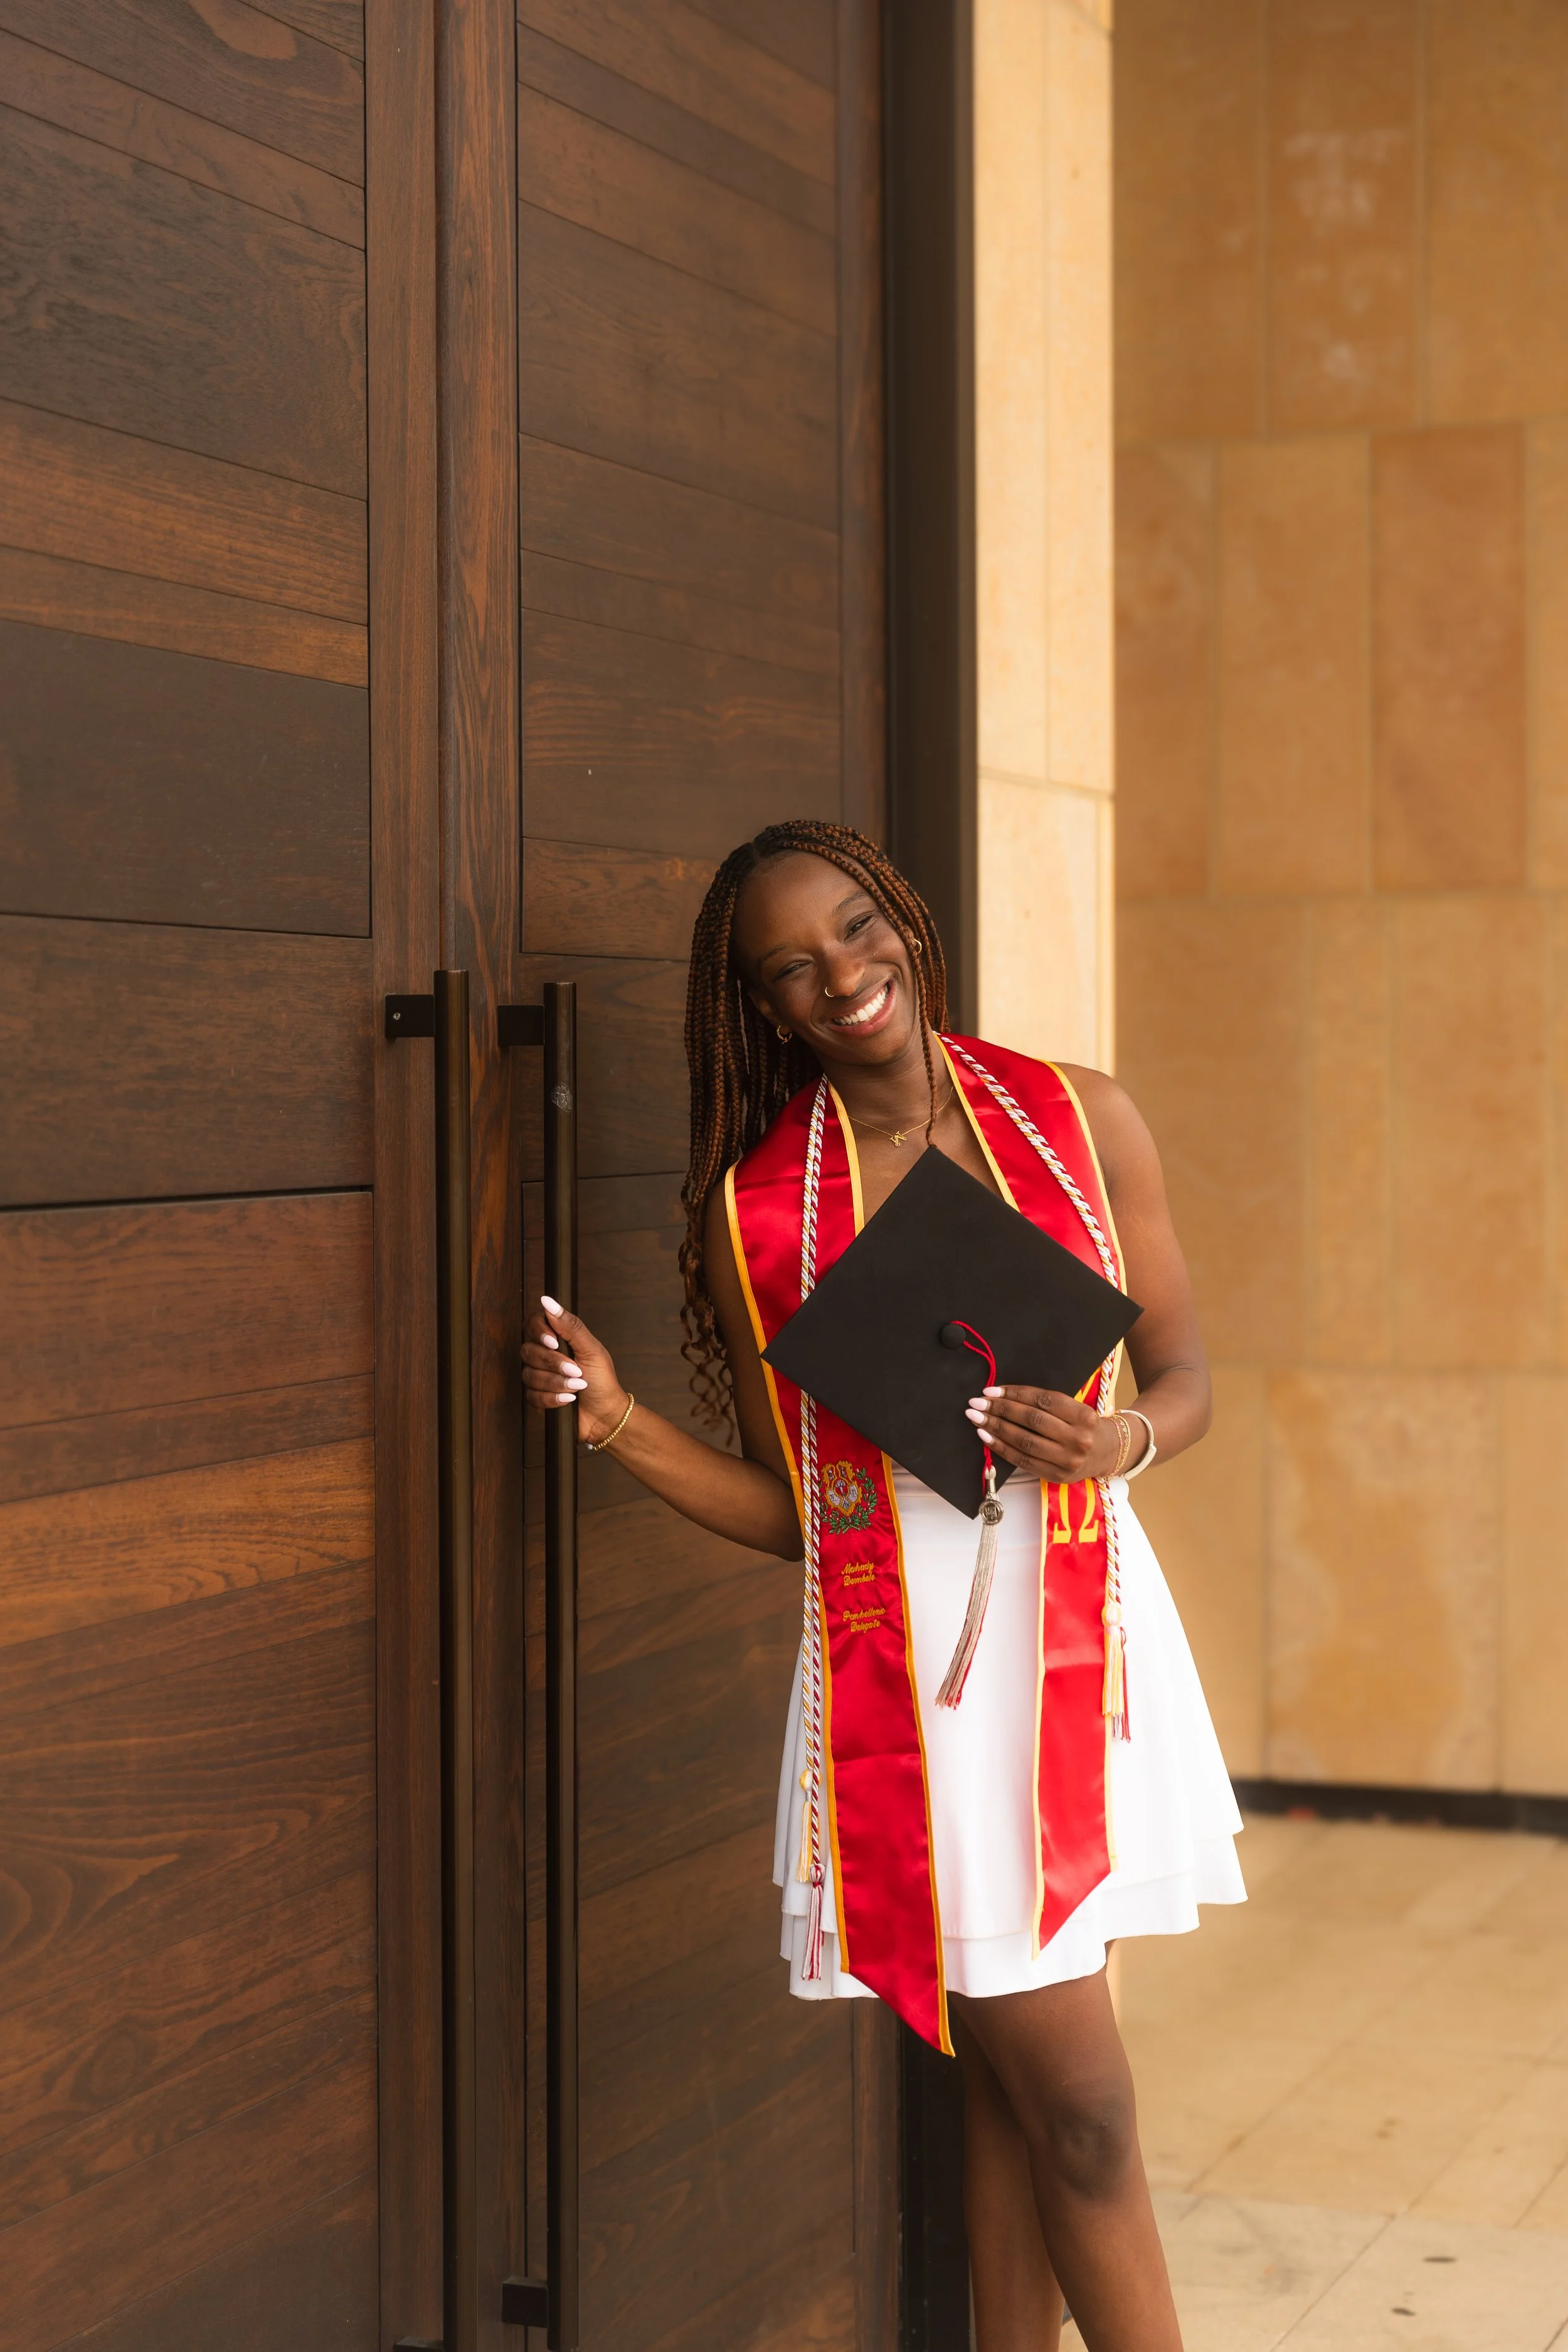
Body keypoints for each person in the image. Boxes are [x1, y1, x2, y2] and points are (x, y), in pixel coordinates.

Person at [524, 819, 1242, 2351]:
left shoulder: (1075, 1119)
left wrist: (1118, 1437)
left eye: (855, 930)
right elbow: (799, 1515)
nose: (841, 976)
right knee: (1086, 2118)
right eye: (791, 968)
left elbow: (1181, 1379)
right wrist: (621, 1422)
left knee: (1019, 2109)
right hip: (907, 1686)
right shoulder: (763, 1214)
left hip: (1084, 1637)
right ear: (762, 1010)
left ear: (902, 921)